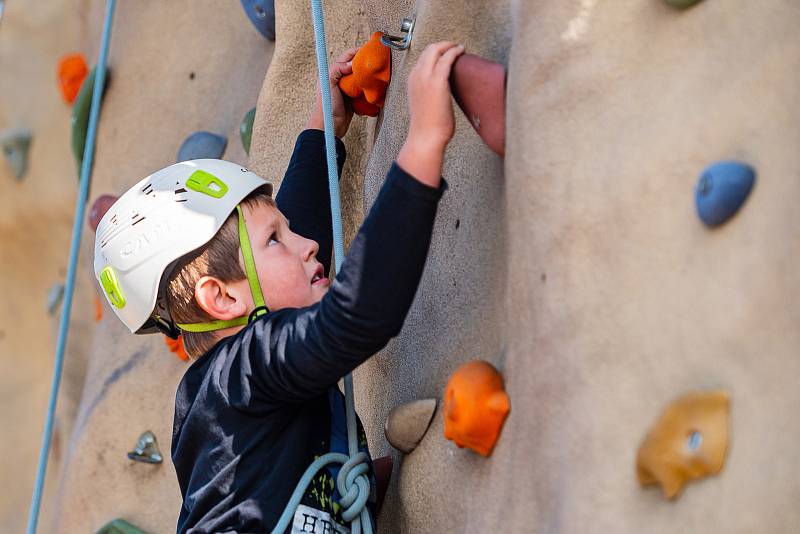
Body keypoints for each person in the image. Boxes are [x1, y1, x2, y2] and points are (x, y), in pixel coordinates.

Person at [94, 41, 465, 533]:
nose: (308, 244)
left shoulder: (230, 387)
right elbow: (354, 317)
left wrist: (324, 127)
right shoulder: (238, 377)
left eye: (286, 230)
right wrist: (423, 144)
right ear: (221, 298)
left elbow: (287, 262)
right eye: (276, 239)